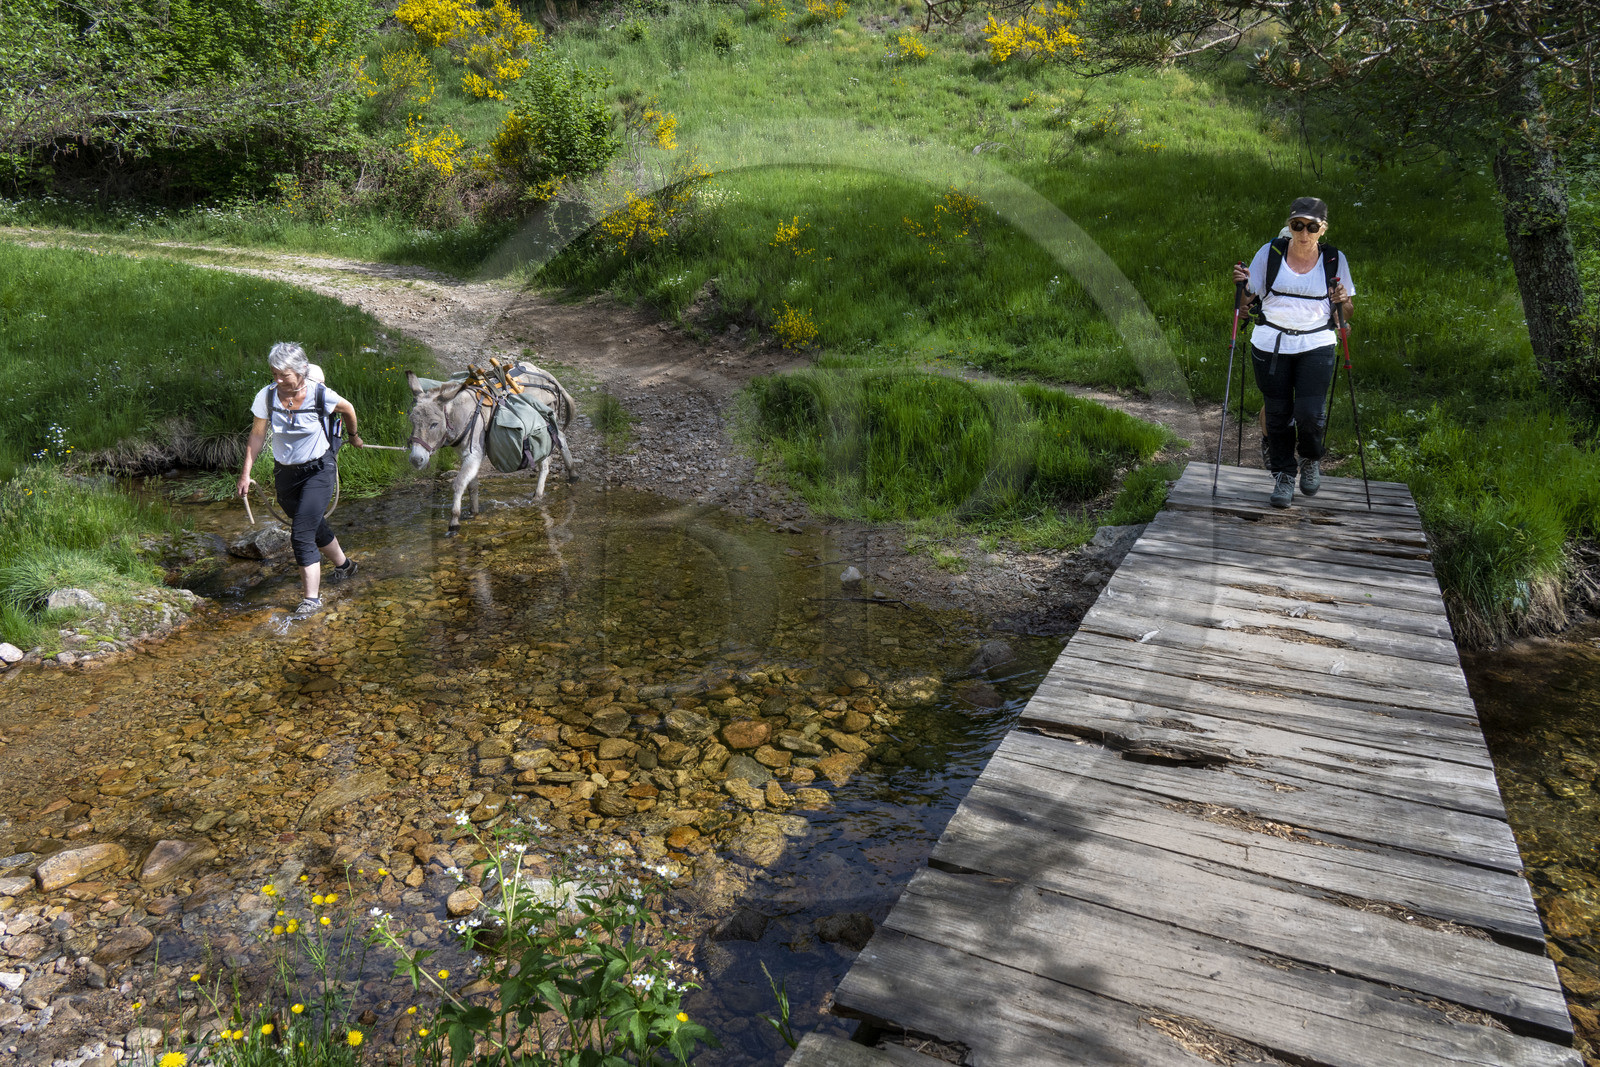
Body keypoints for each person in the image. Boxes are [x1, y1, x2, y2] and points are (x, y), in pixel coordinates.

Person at [1232, 196, 1355, 508]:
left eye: (1312, 227)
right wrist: (1242, 287)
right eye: (1297, 225)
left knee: (1310, 414)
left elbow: (1347, 311)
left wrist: (1342, 300)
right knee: (1278, 414)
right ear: (1289, 225)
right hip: (1270, 344)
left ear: (1323, 229)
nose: (1304, 232)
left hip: (1317, 343)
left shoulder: (1334, 259)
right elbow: (1246, 305)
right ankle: (1283, 475)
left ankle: (1311, 460)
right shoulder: (1270, 253)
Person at [236, 342, 365, 617]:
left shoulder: (320, 394)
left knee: (302, 533)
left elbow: (348, 408)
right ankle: (345, 566)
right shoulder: (266, 396)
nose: (278, 380)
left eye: (284, 375)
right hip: (285, 474)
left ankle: (311, 601)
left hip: (319, 470)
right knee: (312, 524)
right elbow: (257, 434)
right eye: (274, 374)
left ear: (302, 370)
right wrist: (245, 473)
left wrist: (353, 436)